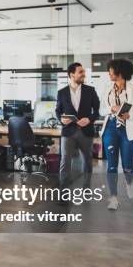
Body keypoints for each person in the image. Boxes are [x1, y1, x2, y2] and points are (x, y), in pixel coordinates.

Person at [100, 59, 133, 210]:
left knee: (127, 166)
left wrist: (129, 116)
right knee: (111, 166)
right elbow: (101, 110)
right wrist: (111, 109)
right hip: (110, 128)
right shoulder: (107, 88)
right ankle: (113, 198)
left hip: (127, 129)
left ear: (120, 72)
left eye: (111, 71)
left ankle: (129, 182)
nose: (109, 73)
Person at [55, 62, 100, 200]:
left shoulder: (90, 90)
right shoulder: (61, 92)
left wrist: (90, 119)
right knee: (65, 161)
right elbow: (58, 111)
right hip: (68, 132)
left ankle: (86, 189)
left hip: (86, 132)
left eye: (83, 72)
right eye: (80, 72)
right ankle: (63, 190)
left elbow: (97, 111)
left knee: (87, 160)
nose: (83, 74)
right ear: (72, 74)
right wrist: (61, 119)